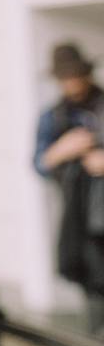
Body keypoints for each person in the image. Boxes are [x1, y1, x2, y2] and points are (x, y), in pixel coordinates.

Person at [34, 43, 104, 330]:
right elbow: (39, 163)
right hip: (81, 214)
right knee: (93, 286)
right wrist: (63, 150)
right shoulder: (54, 117)